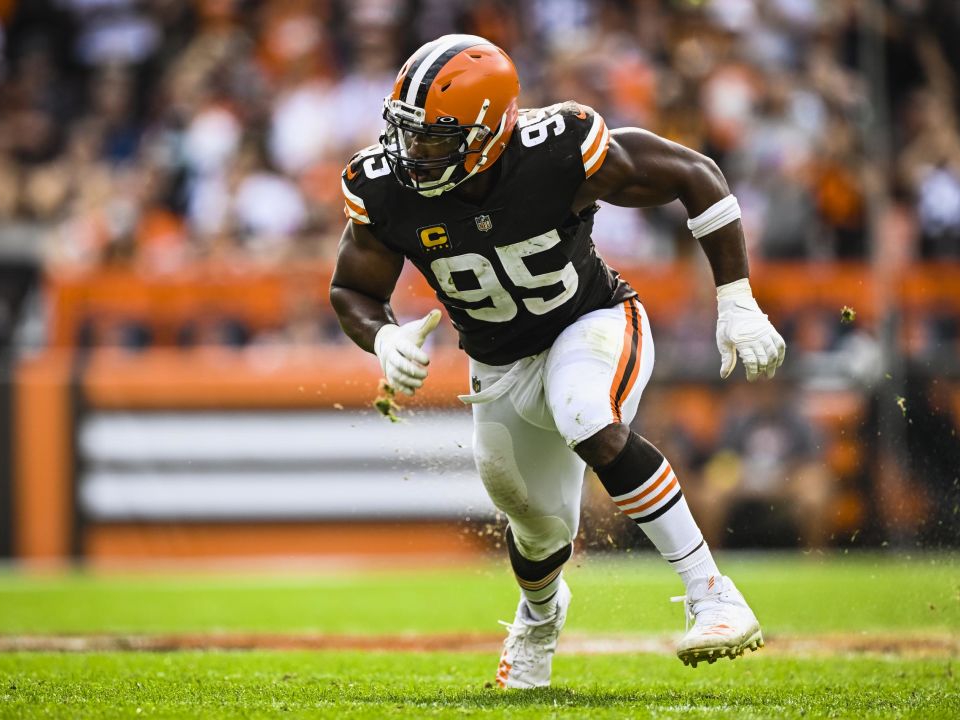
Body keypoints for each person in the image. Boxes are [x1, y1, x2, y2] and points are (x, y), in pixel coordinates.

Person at [328, 35, 787, 688]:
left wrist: (736, 300)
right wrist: (381, 337)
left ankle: (712, 593)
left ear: (488, 133)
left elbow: (695, 175)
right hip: (499, 366)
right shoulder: (383, 187)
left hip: (593, 321)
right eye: (407, 133)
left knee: (585, 415)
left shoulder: (556, 149)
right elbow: (353, 289)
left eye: (432, 138)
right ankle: (539, 620)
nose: (412, 152)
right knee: (533, 519)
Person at [692, 380, 835, 549]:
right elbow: (724, 458)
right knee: (709, 494)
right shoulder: (738, 418)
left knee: (815, 492)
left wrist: (786, 476)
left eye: (771, 387)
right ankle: (708, 557)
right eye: (761, 388)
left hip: (788, 478)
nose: (767, 393)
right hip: (744, 478)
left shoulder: (798, 420)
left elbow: (812, 460)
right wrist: (741, 475)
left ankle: (815, 556)